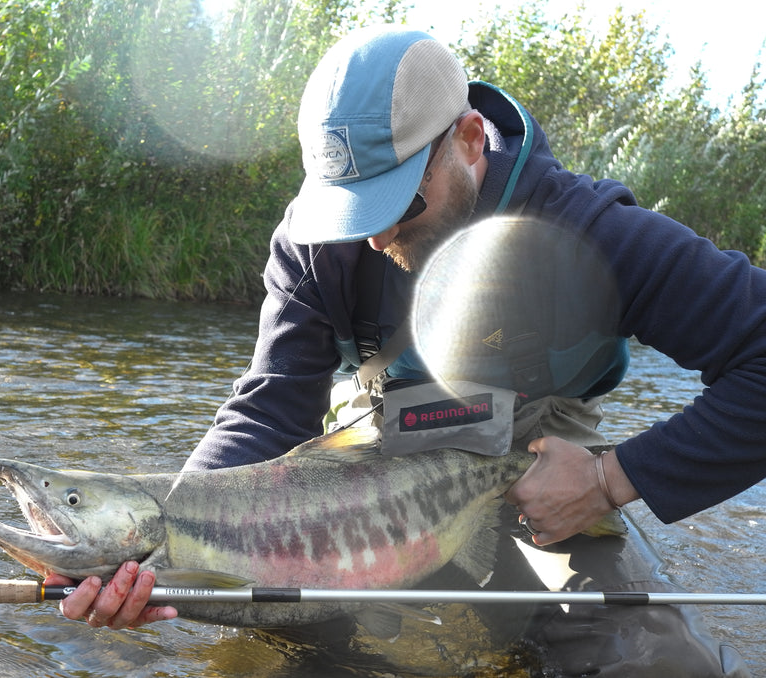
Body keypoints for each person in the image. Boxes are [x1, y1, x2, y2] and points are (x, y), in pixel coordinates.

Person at [47, 25, 764, 674]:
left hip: (523, 484)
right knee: (295, 662)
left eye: (395, 205)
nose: (372, 238)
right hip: (360, 482)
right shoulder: (314, 243)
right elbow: (270, 410)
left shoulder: (592, 235)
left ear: (471, 140)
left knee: (654, 663)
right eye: (348, 208)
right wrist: (160, 543)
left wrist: (612, 479)